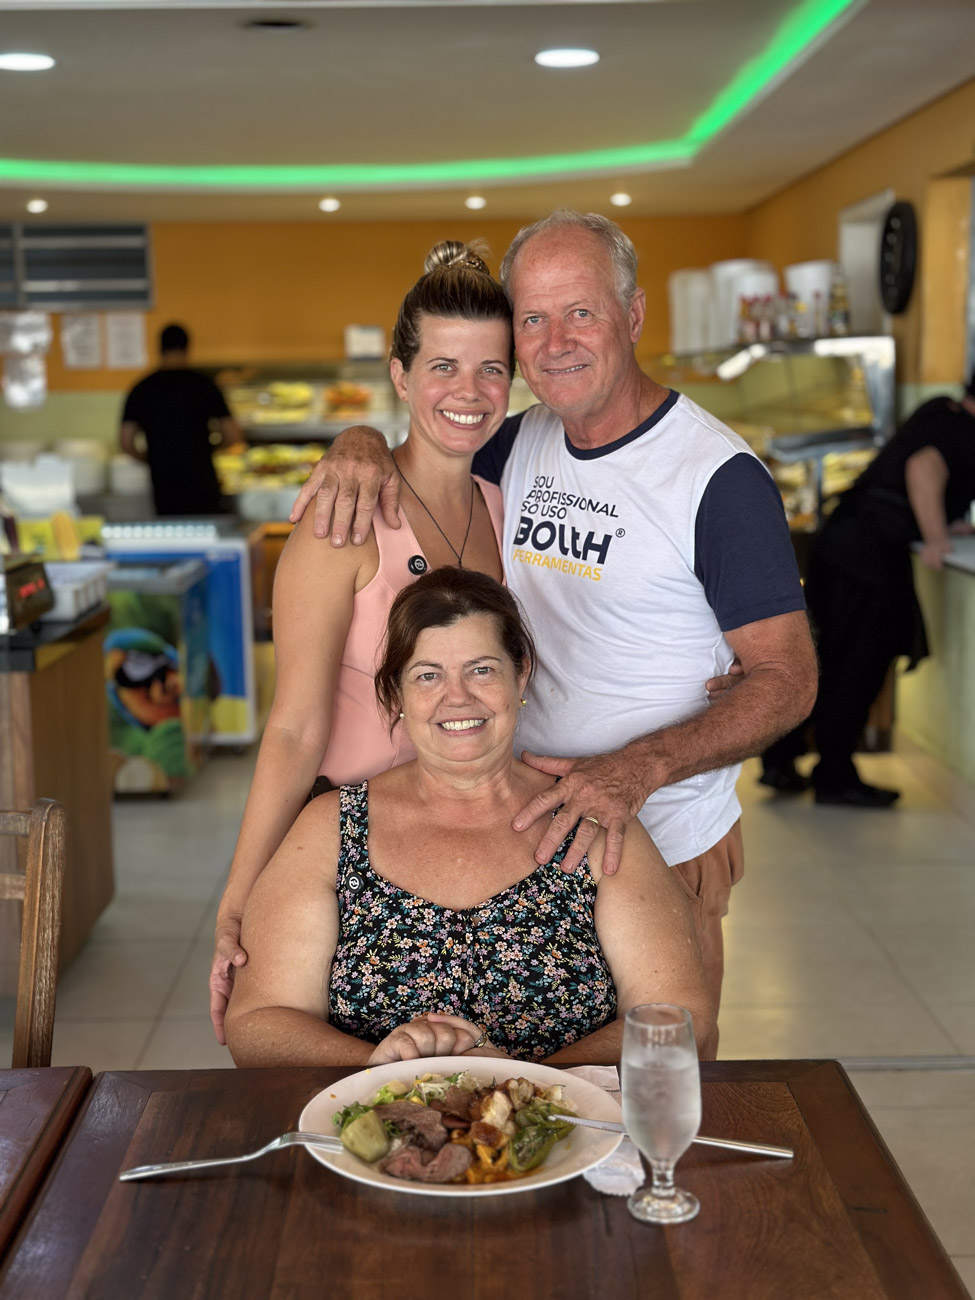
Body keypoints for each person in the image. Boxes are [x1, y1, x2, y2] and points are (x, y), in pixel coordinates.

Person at [291, 210, 817, 1036]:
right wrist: (357, 439)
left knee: (648, 1076)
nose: (555, 341)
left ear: (632, 315)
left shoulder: (716, 478)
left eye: (581, 312)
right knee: (526, 1092)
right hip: (520, 837)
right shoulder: (521, 440)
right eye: (532, 318)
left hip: (656, 838)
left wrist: (633, 771)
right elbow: (427, 438)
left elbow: (788, 680)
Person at [224, 566, 714, 1067]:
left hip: (567, 1133)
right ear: (396, 695)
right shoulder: (333, 828)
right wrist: (377, 1065)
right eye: (428, 675)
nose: (456, 697)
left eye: (482, 669)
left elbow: (680, 1016)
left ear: (519, 675)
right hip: (377, 1135)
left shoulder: (589, 819)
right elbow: (258, 1022)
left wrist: (525, 1093)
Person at [210, 243, 513, 1045]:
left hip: (475, 842)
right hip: (353, 853)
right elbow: (292, 728)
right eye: (442, 366)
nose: (469, 392)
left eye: (491, 369)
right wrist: (240, 899)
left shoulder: (504, 506)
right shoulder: (342, 520)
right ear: (400, 376)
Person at [761, 372, 975, 806]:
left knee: (831, 661)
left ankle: (781, 759)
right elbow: (922, 468)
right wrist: (936, 535)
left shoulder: (942, 409)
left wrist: (945, 521)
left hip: (846, 545)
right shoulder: (961, 428)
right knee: (858, 664)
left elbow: (910, 471)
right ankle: (834, 774)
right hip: (866, 557)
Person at [119, 322, 240, 516]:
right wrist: (209, 449)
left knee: (172, 537)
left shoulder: (142, 389)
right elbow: (233, 435)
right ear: (187, 348)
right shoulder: (204, 385)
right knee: (206, 536)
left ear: (159, 349)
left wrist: (151, 458)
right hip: (202, 480)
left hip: (163, 484)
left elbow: (126, 442)